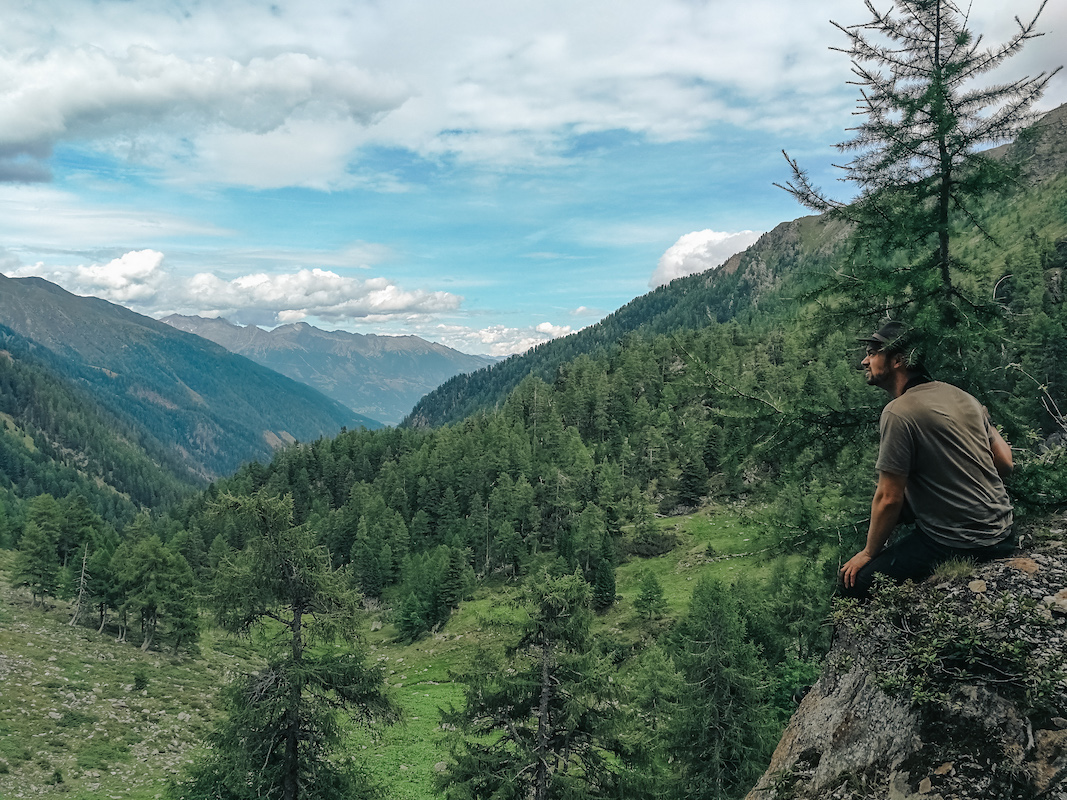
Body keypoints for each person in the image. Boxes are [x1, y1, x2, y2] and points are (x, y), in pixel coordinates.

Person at [840, 322, 1015, 599]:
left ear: (898, 360)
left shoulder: (899, 412)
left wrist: (868, 553)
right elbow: (1005, 463)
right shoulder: (964, 398)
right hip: (1004, 534)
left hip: (962, 543)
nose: (865, 360)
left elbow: (888, 497)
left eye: (873, 352)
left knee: (856, 583)